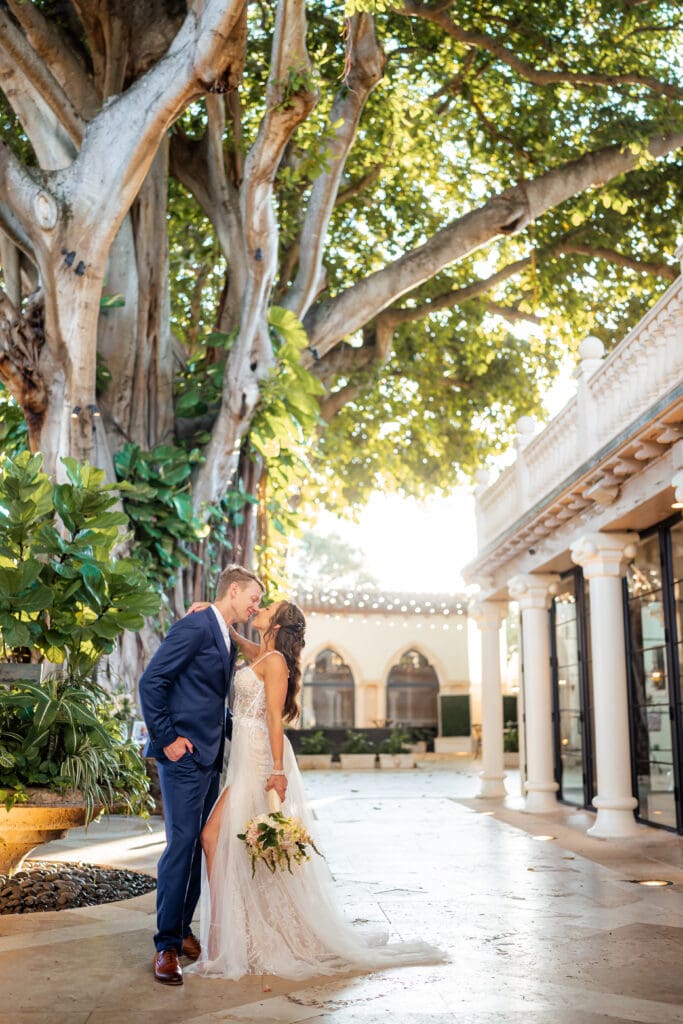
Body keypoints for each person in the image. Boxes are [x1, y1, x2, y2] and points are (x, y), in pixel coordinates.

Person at [186, 598, 446, 981]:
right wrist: (220, 620)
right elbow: (248, 649)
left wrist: (277, 771)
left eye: (267, 609)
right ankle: (226, 941)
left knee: (216, 838)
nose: (260, 609)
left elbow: (274, 719)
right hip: (243, 762)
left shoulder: (275, 663)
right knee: (222, 842)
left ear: (276, 625)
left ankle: (225, 944)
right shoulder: (265, 656)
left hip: (259, 763)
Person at [138, 564, 265, 986]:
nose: (255, 606)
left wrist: (248, 736)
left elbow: (210, 701)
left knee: (199, 843)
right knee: (182, 845)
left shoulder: (224, 635)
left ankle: (182, 929)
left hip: (210, 759)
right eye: (253, 598)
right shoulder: (195, 627)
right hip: (183, 758)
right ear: (233, 590)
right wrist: (168, 739)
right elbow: (152, 682)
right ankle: (165, 946)